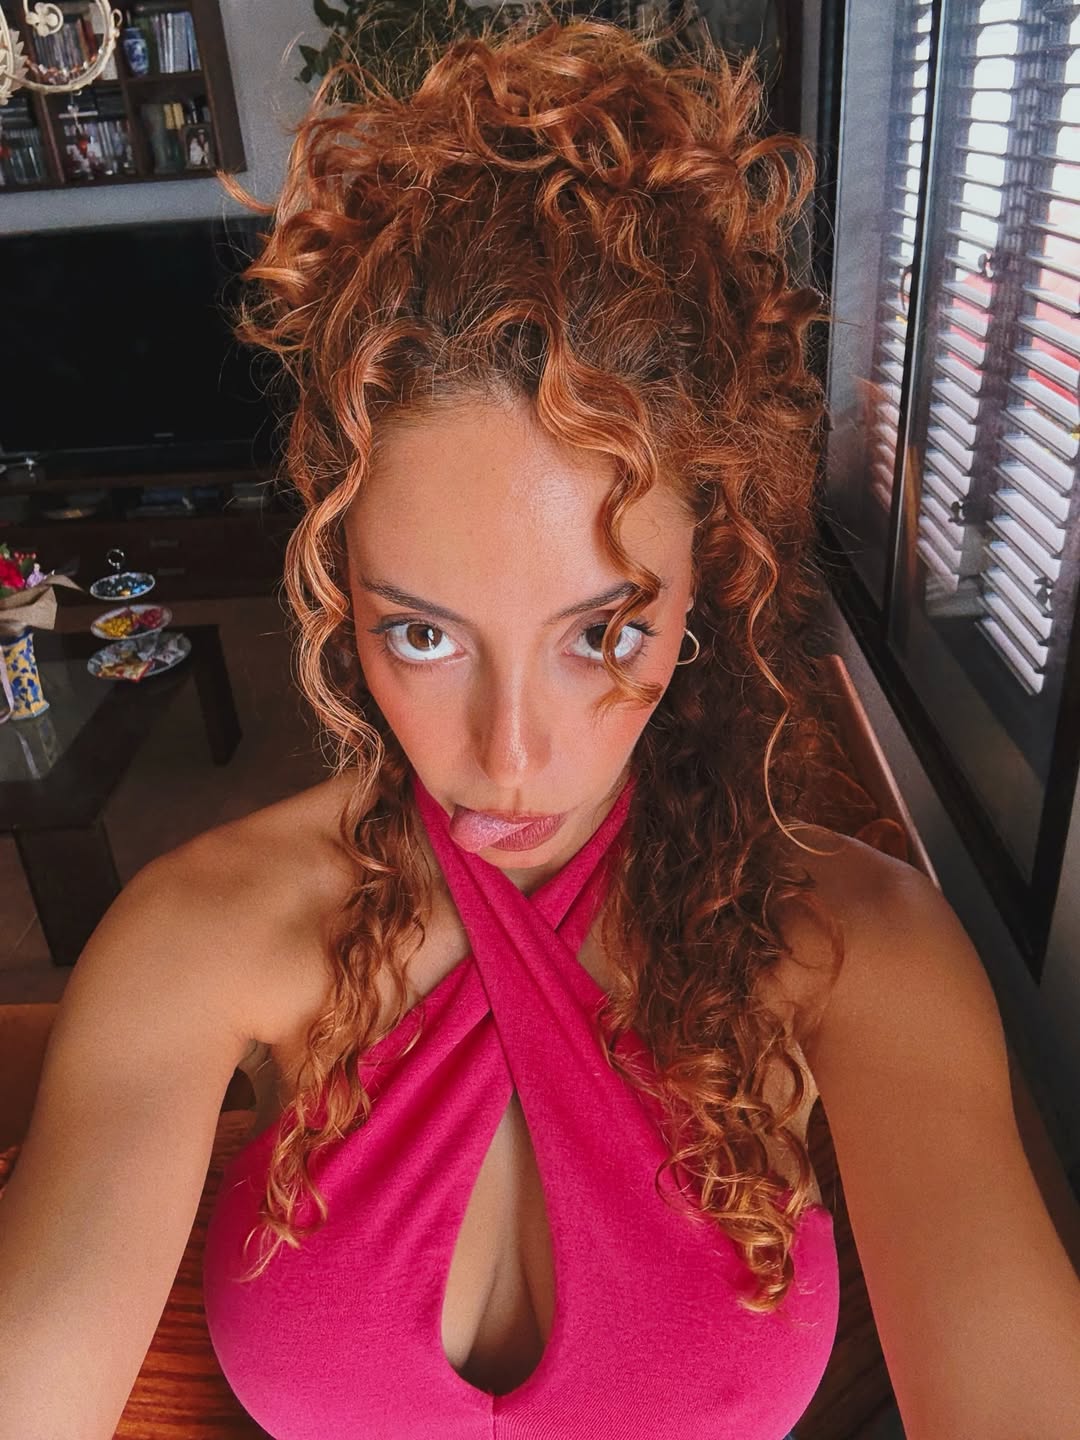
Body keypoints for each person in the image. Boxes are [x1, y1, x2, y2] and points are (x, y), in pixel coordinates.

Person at [2, 9, 1079, 1440]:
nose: (510, 760)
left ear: (710, 579)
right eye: (424, 633)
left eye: (603, 633)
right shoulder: (193, 939)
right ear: (338, 592)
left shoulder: (860, 954)